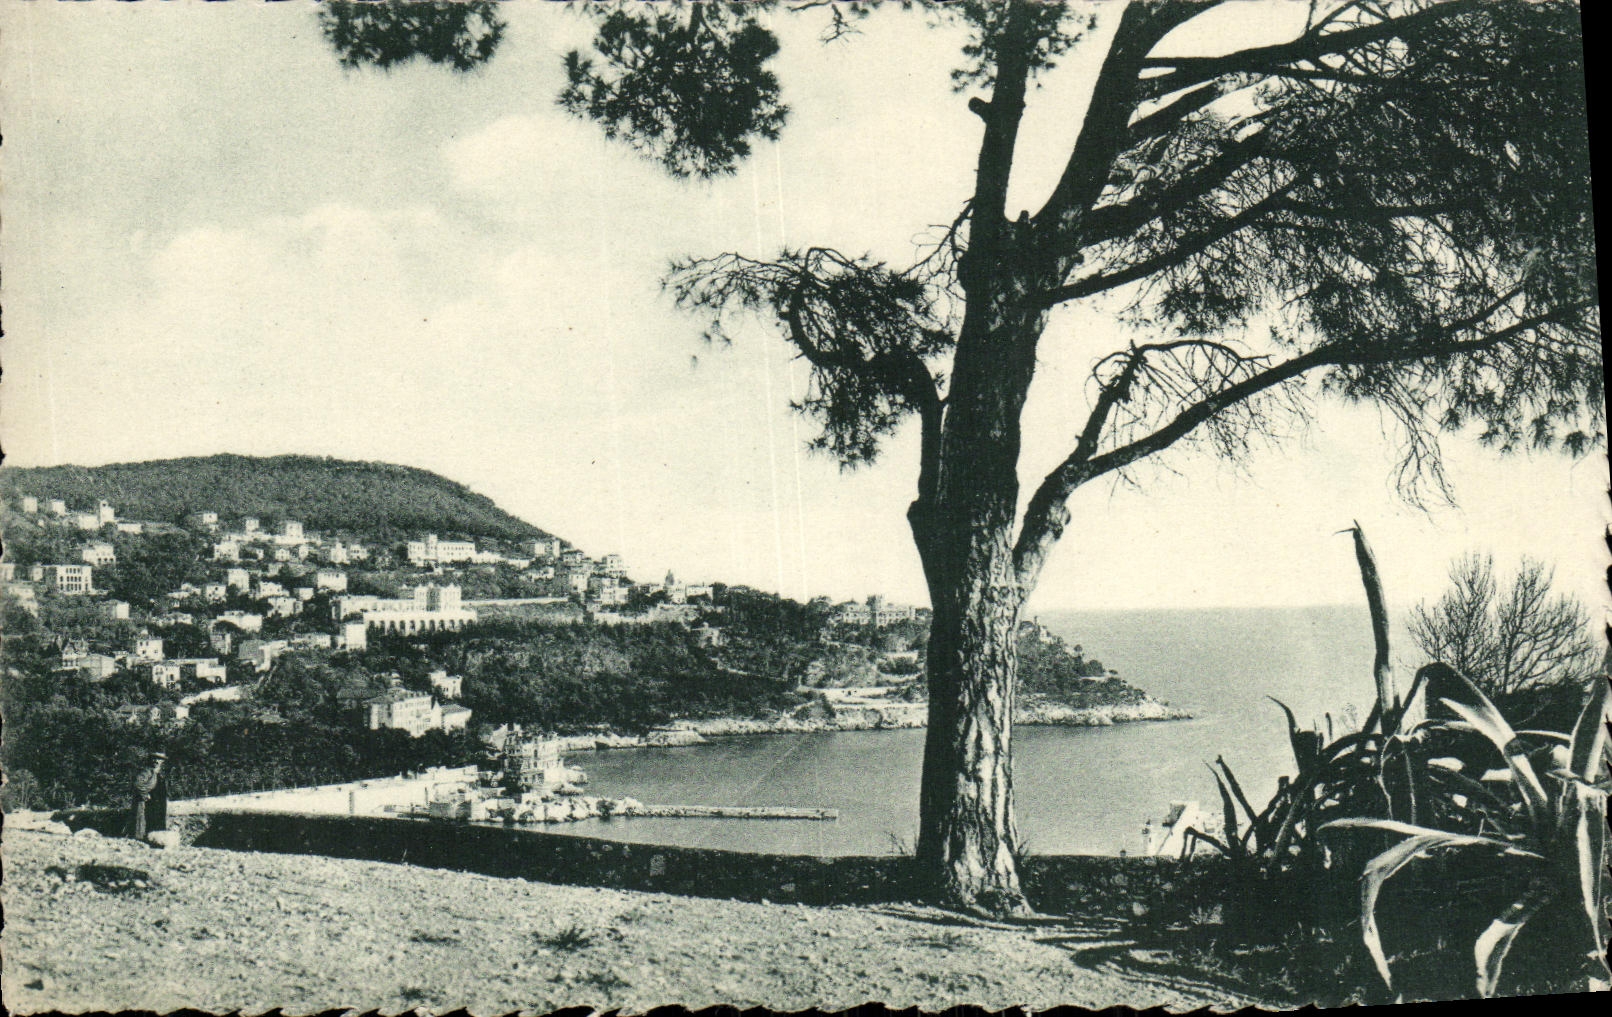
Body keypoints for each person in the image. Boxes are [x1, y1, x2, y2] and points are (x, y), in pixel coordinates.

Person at [130, 751, 168, 841]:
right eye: (154, 758)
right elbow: (137, 784)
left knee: (158, 821)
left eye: (159, 759)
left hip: (159, 802)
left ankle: (157, 840)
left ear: (162, 761)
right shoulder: (147, 772)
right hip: (149, 803)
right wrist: (145, 794)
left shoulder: (160, 773)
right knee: (147, 822)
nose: (156, 761)